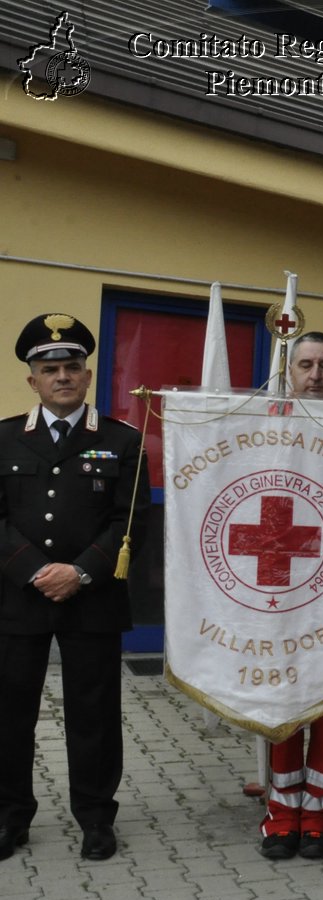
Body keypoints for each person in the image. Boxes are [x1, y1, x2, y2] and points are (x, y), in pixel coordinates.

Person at [0, 312, 150, 861]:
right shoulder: (4, 437)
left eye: (72, 367)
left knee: (94, 715)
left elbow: (128, 521)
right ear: (32, 380)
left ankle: (95, 818)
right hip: (17, 599)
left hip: (93, 599)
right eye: (50, 368)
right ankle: (9, 817)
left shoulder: (122, 440)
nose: (62, 376)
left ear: (87, 376)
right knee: (8, 713)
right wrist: (34, 570)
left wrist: (79, 571)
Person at [258, 332, 323, 861]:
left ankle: (320, 809)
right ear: (289, 372)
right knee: (283, 701)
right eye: (305, 364)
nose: (315, 374)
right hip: (278, 586)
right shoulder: (262, 431)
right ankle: (281, 810)